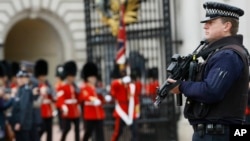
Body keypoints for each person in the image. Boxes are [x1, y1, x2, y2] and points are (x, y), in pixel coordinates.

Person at [168, 2, 249, 141]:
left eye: (211, 22)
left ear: (227, 26)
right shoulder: (221, 52)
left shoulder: (228, 55)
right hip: (214, 133)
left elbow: (211, 91)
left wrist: (181, 86)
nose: (205, 26)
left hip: (217, 134)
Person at [78, 62, 105, 141]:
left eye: (94, 77)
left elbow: (101, 100)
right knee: (88, 133)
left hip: (99, 114)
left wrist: (104, 97)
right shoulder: (84, 87)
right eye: (91, 77)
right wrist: (93, 99)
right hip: (89, 115)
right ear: (87, 77)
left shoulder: (98, 87)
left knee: (100, 135)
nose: (93, 78)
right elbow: (84, 96)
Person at [110, 64, 138, 141]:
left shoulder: (131, 84)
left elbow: (135, 98)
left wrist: (137, 110)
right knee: (117, 133)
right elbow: (113, 90)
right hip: (121, 111)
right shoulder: (117, 83)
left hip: (131, 111)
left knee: (135, 132)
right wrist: (121, 81)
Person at [58, 61, 80, 141]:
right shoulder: (62, 86)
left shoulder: (74, 86)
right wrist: (63, 106)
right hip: (67, 111)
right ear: (67, 76)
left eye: (73, 76)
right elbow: (60, 98)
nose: (72, 78)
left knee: (77, 129)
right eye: (71, 76)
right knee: (67, 128)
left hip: (75, 111)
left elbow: (78, 98)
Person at [10, 70, 34, 141]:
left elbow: (24, 108)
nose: (19, 80)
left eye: (22, 78)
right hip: (19, 122)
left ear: (26, 79)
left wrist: (19, 122)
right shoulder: (20, 90)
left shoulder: (25, 90)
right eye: (18, 78)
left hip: (23, 124)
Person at [34, 59, 54, 141]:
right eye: (42, 76)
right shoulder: (36, 84)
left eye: (44, 75)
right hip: (41, 110)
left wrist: (51, 92)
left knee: (49, 131)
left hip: (48, 110)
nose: (44, 77)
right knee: (42, 129)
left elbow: (53, 95)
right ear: (38, 76)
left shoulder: (47, 84)